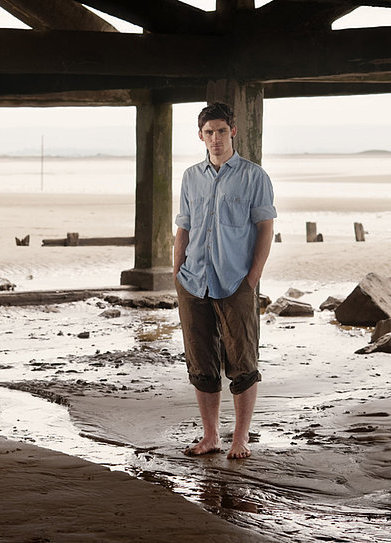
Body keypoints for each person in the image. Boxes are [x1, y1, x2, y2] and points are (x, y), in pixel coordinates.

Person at [173, 102, 276, 460]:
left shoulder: (254, 176)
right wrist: (177, 273)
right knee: (200, 362)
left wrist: (253, 277)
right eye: (208, 132)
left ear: (232, 131)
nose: (214, 138)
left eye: (220, 131)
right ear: (200, 136)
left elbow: (265, 228)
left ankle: (240, 439)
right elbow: (183, 227)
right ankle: (211, 436)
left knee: (242, 361)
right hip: (193, 279)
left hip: (235, 281)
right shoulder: (190, 176)